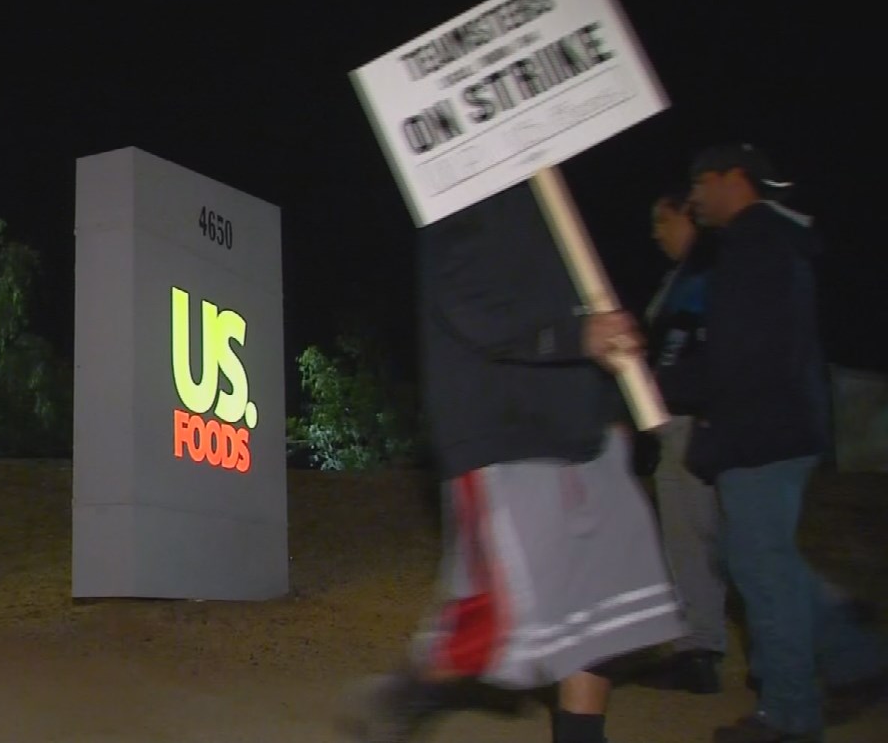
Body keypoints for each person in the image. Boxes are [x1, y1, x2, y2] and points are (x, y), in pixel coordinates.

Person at [339, 182, 687, 743]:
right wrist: (579, 335)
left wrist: (611, 402)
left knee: (604, 608)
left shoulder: (553, 197)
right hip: (503, 436)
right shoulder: (461, 192)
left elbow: (580, 308)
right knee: (495, 616)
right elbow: (471, 310)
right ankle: (404, 699)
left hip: (585, 432)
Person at [662, 143, 887, 743]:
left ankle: (789, 715)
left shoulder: (753, 249)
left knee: (760, 566)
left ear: (735, 179)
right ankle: (858, 660)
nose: (693, 198)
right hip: (780, 426)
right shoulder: (769, 244)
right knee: (767, 559)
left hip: (759, 429)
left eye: (699, 182)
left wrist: (663, 383)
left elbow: (739, 357)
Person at [637, 192, 727, 694]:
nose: (656, 232)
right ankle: (698, 644)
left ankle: (698, 649)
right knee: (708, 537)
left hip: (695, 420)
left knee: (697, 537)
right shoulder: (688, 275)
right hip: (684, 419)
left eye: (662, 220)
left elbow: (693, 352)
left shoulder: (704, 276)